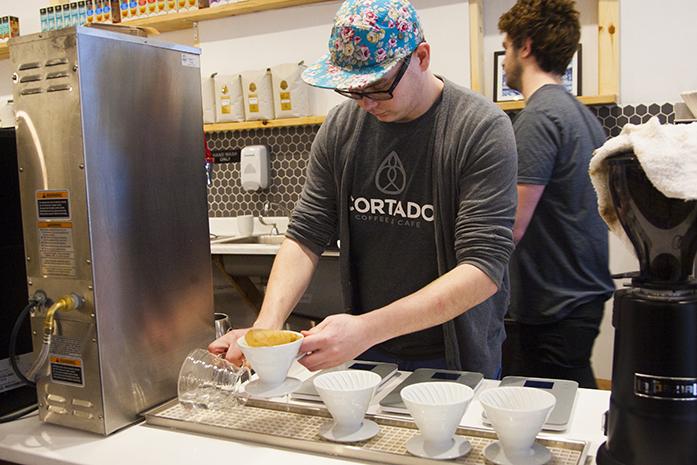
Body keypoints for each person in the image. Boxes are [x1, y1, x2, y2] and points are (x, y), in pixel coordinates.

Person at [209, 0, 518, 378]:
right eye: (353, 90)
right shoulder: (342, 128)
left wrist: (366, 328)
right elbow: (305, 235)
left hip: (453, 353)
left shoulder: (480, 129)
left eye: (379, 87)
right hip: (369, 350)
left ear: (421, 57)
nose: (367, 103)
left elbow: (482, 269)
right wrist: (266, 328)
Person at [498, 0, 614, 388]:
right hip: (579, 295)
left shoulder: (538, 118)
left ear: (525, 46)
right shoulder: (582, 117)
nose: (503, 60)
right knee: (572, 396)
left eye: (506, 47)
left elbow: (509, 227)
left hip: (553, 305)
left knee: (549, 406)